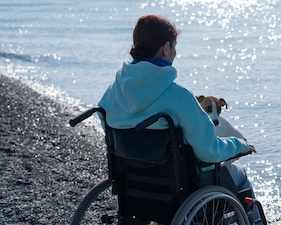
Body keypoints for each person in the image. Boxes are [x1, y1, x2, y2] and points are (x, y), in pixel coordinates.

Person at [98, 13, 256, 195]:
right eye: (174, 47)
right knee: (240, 176)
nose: (175, 53)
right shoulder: (179, 97)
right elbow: (209, 150)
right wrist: (240, 145)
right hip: (177, 189)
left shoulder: (114, 91)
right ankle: (253, 224)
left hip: (132, 185)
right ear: (166, 48)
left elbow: (109, 127)